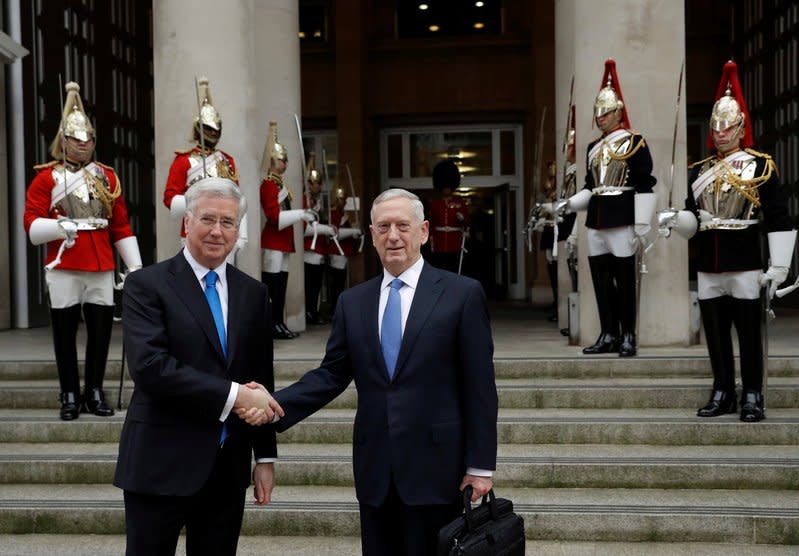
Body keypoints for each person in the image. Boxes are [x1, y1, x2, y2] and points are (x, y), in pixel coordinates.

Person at [252, 188, 498, 556]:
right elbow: (331, 375)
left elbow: (480, 386)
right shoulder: (353, 302)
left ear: (424, 232)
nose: (393, 236)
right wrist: (271, 404)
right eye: (383, 227)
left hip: (438, 470)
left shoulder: (462, 294)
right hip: (376, 472)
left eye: (403, 225)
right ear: (372, 234)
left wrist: (480, 465)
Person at [114, 177, 285, 555]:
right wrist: (235, 394)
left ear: (238, 230)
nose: (216, 231)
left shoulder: (253, 293)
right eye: (208, 219)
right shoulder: (146, 285)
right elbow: (150, 367)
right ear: (186, 223)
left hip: (227, 466)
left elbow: (260, 376)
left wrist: (265, 456)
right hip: (159, 462)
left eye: (227, 222)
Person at [661, 60, 796, 422]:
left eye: (727, 127)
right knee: (716, 334)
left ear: (741, 127)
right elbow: (693, 218)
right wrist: (678, 220)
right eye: (716, 127)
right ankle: (723, 390)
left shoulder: (759, 166)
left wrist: (779, 266)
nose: (720, 133)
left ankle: (753, 392)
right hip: (709, 261)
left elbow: (779, 216)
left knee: (749, 332)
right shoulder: (699, 171)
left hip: (745, 258)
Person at [23, 81, 142, 421]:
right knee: (64, 332)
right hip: (64, 261)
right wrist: (60, 228)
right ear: (64, 140)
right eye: (77, 139)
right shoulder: (46, 179)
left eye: (88, 139)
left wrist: (135, 267)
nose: (84, 144)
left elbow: (120, 225)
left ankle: (94, 390)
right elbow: (31, 224)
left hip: (101, 262)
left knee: (102, 332)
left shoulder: (106, 176)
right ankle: (69, 393)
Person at [550, 59, 657, 357]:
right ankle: (608, 332)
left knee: (624, 280)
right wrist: (569, 203)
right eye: (597, 112)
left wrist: (641, 223)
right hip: (596, 218)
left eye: (606, 111)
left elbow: (645, 183)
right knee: (600, 281)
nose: (600, 117)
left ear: (619, 111)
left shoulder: (634, 142)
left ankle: (628, 335)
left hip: (622, 214)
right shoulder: (592, 148)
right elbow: (589, 186)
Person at [163, 77, 246, 260]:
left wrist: (242, 235)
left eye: (216, 129)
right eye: (208, 129)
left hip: (224, 231)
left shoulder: (227, 161)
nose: (213, 133)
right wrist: (202, 202)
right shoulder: (183, 161)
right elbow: (170, 198)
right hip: (194, 230)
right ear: (198, 128)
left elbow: (237, 198)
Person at [259, 121, 317, 339]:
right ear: (274, 161)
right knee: (272, 287)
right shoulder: (268, 185)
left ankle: (279, 322)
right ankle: (271, 325)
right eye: (283, 160)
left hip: (283, 241)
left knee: (281, 286)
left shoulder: (279, 185)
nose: (286, 164)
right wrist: (300, 214)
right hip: (273, 240)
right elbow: (274, 217)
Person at [302, 152, 337, 325]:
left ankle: (313, 311)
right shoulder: (305, 202)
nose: (317, 186)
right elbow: (305, 229)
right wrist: (326, 229)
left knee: (317, 286)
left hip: (320, 248)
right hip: (310, 248)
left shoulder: (318, 203)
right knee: (310, 286)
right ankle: (309, 312)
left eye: (318, 183)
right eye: (313, 183)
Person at [428, 159, 470, 274]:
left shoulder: (459, 202)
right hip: (439, 244)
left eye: (448, 186)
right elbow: (431, 224)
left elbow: (467, 222)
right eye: (444, 186)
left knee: (454, 271)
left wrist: (462, 219)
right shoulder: (435, 204)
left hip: (455, 244)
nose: (446, 189)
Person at [327, 185, 363, 315]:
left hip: (343, 251)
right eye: (342, 199)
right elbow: (336, 232)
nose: (344, 202)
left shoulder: (343, 214)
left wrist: (355, 232)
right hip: (337, 251)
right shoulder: (334, 214)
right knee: (337, 283)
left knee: (341, 282)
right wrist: (353, 230)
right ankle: (335, 309)